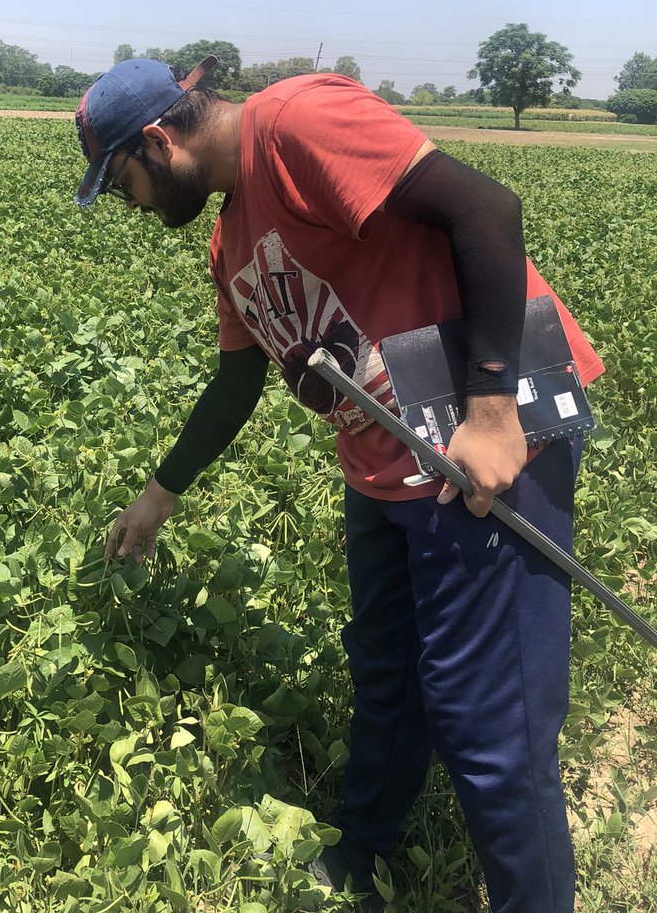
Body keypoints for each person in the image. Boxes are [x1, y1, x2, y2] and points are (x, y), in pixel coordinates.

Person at [73, 55, 603, 913]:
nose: (131, 206)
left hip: (481, 444)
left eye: (121, 182)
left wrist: (493, 409)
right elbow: (236, 383)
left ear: (159, 141)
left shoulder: (296, 122)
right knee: (387, 673)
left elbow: (486, 208)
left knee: (490, 721)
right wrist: (160, 493)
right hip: (385, 467)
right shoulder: (229, 241)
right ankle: (361, 856)